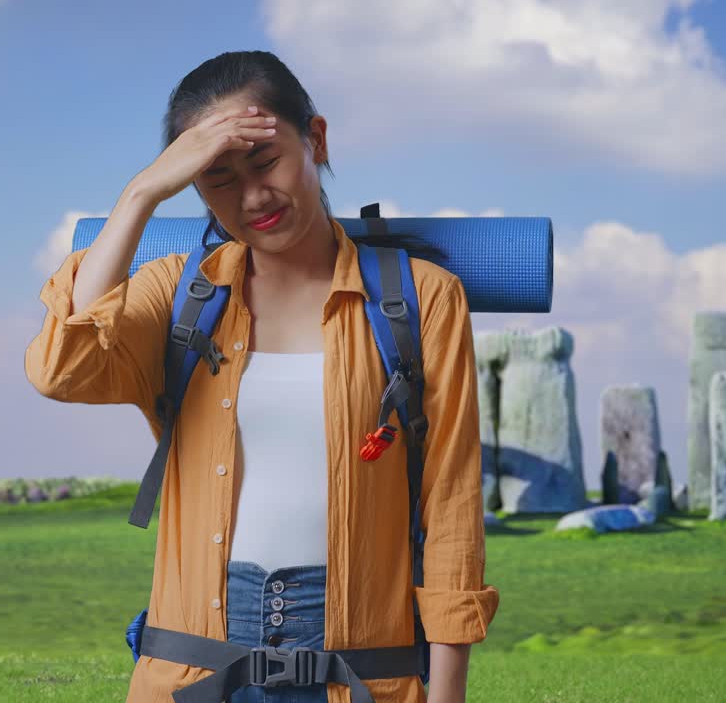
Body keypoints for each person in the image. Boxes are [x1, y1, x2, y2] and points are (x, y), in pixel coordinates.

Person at [25, 50, 498, 703]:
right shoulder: (176, 295)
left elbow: (451, 512)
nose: (252, 197)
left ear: (316, 140)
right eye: (217, 179)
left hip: (364, 675)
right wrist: (141, 194)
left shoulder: (423, 298)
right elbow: (61, 369)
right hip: (189, 673)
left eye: (266, 161)